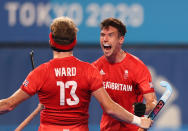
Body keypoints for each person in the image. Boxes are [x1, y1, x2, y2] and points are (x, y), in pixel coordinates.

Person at [0, 17, 152, 131]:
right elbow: (110, 107)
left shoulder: (40, 73)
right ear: (74, 41)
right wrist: (138, 121)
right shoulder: (89, 71)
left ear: (51, 40)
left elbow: (8, 105)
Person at [92, 17, 157, 131]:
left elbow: (153, 103)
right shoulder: (95, 68)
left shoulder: (137, 67)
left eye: (110, 35)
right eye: (102, 35)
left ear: (121, 39)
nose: (105, 39)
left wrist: (144, 109)